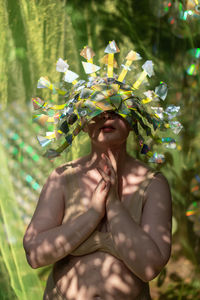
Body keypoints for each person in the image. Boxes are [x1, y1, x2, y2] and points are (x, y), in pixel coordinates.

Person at [23, 41, 174, 300]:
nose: (106, 115)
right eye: (95, 108)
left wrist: (114, 206)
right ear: (81, 122)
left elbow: (149, 266)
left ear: (133, 119)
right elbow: (35, 255)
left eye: (117, 108)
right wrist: (92, 214)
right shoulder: (63, 177)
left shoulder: (152, 184)